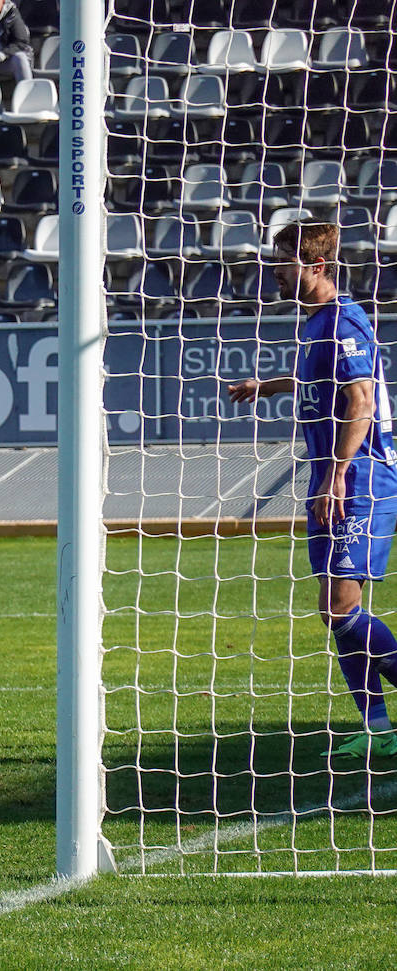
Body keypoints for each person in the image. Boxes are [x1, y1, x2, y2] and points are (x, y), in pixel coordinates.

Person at [227, 221, 397, 761]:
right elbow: (317, 385)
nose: (275, 272)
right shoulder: (317, 324)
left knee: (342, 607)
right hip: (335, 473)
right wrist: (267, 385)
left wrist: (339, 473)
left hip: (361, 475)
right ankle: (377, 726)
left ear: (316, 267)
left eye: (283, 262)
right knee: (333, 610)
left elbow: (361, 403)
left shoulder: (343, 320)